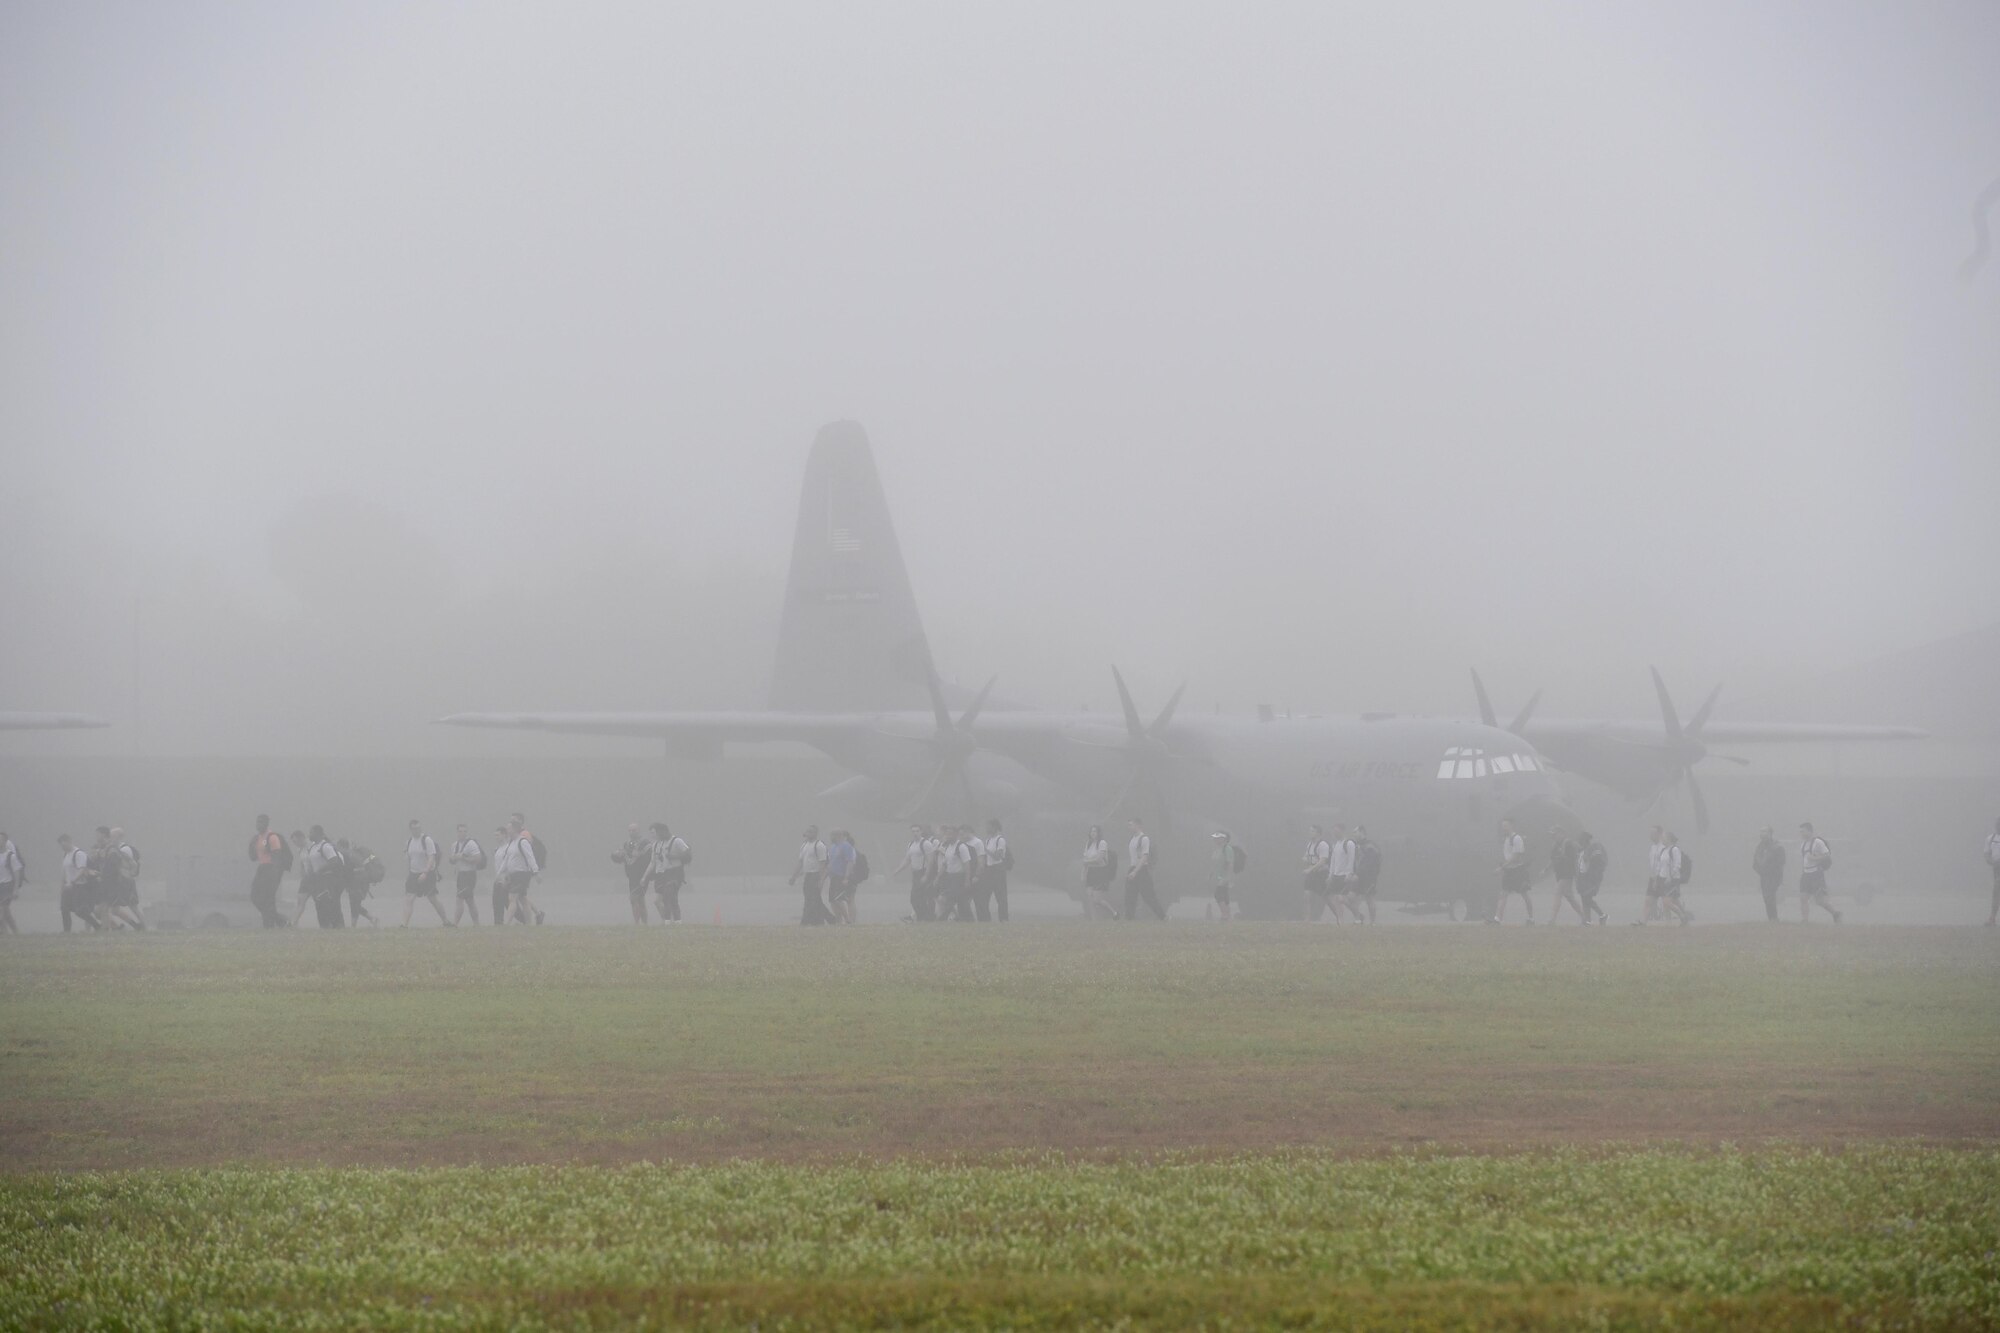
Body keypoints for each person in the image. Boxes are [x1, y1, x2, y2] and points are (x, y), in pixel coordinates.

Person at [400, 820, 449, 927]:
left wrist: (425, 873)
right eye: (414, 828)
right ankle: (404, 925)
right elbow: (408, 857)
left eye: (418, 828)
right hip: (413, 874)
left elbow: (431, 857)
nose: (416, 830)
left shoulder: (427, 840)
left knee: (433, 899)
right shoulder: (409, 842)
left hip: (428, 873)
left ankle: (446, 921)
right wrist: (409, 872)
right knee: (409, 898)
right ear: (410, 829)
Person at [298, 826, 345, 928]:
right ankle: (324, 926)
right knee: (319, 903)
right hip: (317, 880)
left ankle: (338, 926)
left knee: (330, 902)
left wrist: (320, 869)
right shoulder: (313, 847)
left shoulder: (325, 846)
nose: (309, 835)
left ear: (317, 833)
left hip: (328, 878)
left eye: (311, 832)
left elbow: (334, 861)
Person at [496, 816, 541, 924]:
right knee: (523, 899)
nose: (507, 831)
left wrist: (536, 872)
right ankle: (528, 923)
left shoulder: (523, 842)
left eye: (509, 828)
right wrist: (499, 874)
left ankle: (506, 924)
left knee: (512, 898)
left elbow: (530, 857)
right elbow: (506, 860)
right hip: (513, 875)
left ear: (515, 829)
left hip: (522, 874)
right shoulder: (511, 843)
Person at [247, 814, 288, 929]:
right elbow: (253, 857)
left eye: (261, 822)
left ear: (266, 823)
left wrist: (275, 875)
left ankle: (269, 925)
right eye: (257, 822)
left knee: (268, 899)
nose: (258, 825)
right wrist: (251, 845)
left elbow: (277, 856)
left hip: (271, 869)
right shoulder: (257, 838)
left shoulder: (272, 837)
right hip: (261, 868)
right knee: (255, 897)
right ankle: (279, 920)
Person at [103, 827, 145, 930]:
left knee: (133, 907)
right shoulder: (113, 848)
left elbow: (128, 866)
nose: (110, 838)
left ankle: (144, 927)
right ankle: (135, 926)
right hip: (119, 882)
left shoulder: (124, 849)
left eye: (112, 836)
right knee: (114, 909)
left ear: (119, 837)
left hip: (127, 882)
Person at [649, 822, 691, 923]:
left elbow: (688, 852)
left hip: (675, 872)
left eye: (657, 833)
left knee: (670, 896)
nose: (656, 836)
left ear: (663, 831)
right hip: (662, 874)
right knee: (662, 899)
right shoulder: (657, 844)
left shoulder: (677, 841)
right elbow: (653, 862)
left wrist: (675, 856)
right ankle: (668, 921)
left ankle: (675, 921)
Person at [1798, 821, 1840, 923]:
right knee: (1803, 898)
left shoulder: (1818, 842)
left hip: (1816, 874)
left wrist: (1815, 858)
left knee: (1820, 901)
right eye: (1800, 832)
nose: (1801, 834)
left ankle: (1836, 914)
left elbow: (1827, 855)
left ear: (1810, 831)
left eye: (1803, 831)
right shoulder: (1803, 844)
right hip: (1806, 874)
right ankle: (1805, 921)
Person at [1124, 817, 1165, 920]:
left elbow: (1144, 857)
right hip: (1132, 868)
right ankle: (1129, 918)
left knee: (1149, 897)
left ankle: (1162, 916)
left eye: (1131, 824)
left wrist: (1135, 872)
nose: (1129, 827)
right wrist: (1131, 870)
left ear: (1138, 825)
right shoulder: (1132, 839)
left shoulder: (1144, 839)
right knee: (1130, 896)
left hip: (1141, 871)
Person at [1491, 819, 1531, 924]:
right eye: (1503, 826)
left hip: (1517, 871)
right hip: (1508, 871)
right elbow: (1508, 856)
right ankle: (1497, 919)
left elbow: (1515, 856)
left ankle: (1531, 918)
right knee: (1503, 894)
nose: (1504, 828)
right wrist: (1504, 868)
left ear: (1511, 826)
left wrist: (1501, 868)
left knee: (1524, 894)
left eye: (1506, 826)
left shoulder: (1517, 838)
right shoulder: (1506, 839)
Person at [789, 824, 831, 925]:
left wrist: (821, 879)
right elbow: (800, 862)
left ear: (816, 833)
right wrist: (794, 876)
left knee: (813, 899)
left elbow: (823, 863)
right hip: (808, 875)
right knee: (811, 899)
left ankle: (807, 921)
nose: (808, 833)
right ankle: (823, 920)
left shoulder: (819, 845)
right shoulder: (804, 845)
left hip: (816, 875)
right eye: (807, 831)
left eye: (811, 831)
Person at [614, 823, 653, 925]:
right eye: (630, 830)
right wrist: (617, 855)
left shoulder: (646, 843)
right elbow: (621, 858)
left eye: (634, 830)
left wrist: (646, 876)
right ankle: (644, 924)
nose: (631, 832)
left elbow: (650, 860)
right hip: (632, 877)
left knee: (633, 898)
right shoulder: (626, 844)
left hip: (642, 876)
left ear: (639, 830)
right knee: (640, 900)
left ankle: (637, 923)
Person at [339, 838, 383, 926]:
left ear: (342, 846)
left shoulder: (349, 855)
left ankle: (356, 925)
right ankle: (371, 919)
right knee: (355, 904)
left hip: (358, 882)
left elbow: (348, 871)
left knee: (354, 903)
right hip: (360, 882)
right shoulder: (352, 854)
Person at [895, 825, 934, 922]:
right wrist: (898, 870)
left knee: (917, 897)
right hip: (915, 873)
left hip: (923, 872)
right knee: (915, 898)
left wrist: (926, 875)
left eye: (917, 831)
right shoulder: (911, 844)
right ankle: (923, 917)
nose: (915, 833)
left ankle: (925, 917)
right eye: (913, 831)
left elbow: (930, 861)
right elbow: (907, 860)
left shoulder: (926, 844)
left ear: (921, 832)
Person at [1546, 826, 1583, 924]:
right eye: (1552, 835)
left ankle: (1552, 920)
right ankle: (1585, 918)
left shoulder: (1569, 844)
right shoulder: (1555, 846)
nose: (1553, 837)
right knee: (1570, 897)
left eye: (1555, 834)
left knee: (1557, 894)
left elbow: (1573, 859)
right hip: (1560, 874)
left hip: (1567, 874)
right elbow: (1552, 859)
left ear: (1562, 834)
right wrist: (1546, 869)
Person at [449, 824, 484, 926]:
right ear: (457, 832)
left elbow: (478, 859)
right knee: (469, 900)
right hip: (460, 875)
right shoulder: (454, 845)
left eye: (464, 831)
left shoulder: (471, 844)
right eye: (460, 831)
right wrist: (453, 858)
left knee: (460, 899)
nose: (462, 833)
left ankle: (455, 924)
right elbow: (451, 860)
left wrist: (463, 858)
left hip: (469, 874)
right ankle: (476, 924)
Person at [58, 833, 93, 932]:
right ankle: (67, 931)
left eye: (64, 845)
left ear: (69, 842)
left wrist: (73, 882)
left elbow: (82, 870)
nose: (63, 847)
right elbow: (64, 872)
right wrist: (62, 887)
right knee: (64, 909)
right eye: (61, 846)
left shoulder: (79, 854)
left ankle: (96, 925)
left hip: (79, 886)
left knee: (80, 911)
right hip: (68, 887)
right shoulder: (65, 855)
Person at [937, 827, 974, 921]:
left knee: (952, 900)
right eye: (947, 834)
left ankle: (942, 919)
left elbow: (967, 864)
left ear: (956, 835)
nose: (948, 836)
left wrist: (967, 880)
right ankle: (965, 919)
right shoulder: (948, 847)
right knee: (958, 900)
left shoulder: (961, 847)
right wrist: (937, 878)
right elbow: (945, 864)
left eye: (951, 834)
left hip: (959, 878)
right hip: (950, 877)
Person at [1082, 825, 1117, 919]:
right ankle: (1094, 920)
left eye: (1095, 831)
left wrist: (1088, 861)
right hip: (1091, 872)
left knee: (1097, 899)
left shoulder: (1102, 843)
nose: (1093, 833)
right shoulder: (1088, 843)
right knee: (1089, 897)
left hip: (1100, 872)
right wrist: (1084, 873)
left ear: (1099, 833)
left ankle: (1114, 912)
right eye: (1091, 831)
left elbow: (1099, 859)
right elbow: (1085, 858)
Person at [1752, 827, 1786, 923]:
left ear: (1770, 833)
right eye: (1761, 831)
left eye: (1765, 831)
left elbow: (1781, 862)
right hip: (1764, 876)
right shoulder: (1759, 846)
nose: (1762, 833)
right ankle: (1771, 918)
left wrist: (1773, 872)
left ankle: (1774, 918)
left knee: (1770, 896)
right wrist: (1762, 871)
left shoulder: (1777, 846)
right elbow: (1755, 863)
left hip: (1774, 876)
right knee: (1766, 897)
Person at [1658, 831, 1693, 926]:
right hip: (1663, 879)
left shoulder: (1674, 849)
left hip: (1672, 880)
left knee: (1667, 902)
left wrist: (1671, 878)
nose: (1662, 839)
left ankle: (1683, 917)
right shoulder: (1663, 850)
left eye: (1663, 837)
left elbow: (1677, 865)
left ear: (1669, 838)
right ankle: (1668, 923)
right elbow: (1661, 866)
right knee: (1670, 902)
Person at [1575, 831, 1609, 925]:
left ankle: (1602, 915)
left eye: (1581, 840)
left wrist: (1593, 876)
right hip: (1582, 877)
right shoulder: (1581, 851)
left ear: (1585, 840)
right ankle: (1588, 920)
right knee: (1584, 899)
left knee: (1587, 898)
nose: (1579, 842)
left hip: (1589, 878)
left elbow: (1594, 863)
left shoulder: (1591, 849)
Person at [981, 819, 1011, 922]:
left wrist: (986, 850)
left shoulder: (1000, 840)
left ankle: (1003, 919)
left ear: (994, 827)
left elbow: (997, 856)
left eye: (988, 826)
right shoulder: (988, 840)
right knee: (984, 895)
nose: (987, 828)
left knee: (1000, 896)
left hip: (998, 870)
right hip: (989, 869)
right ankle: (985, 919)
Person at [1351, 824, 1382, 924]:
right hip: (1358, 877)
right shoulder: (1357, 846)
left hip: (1369, 878)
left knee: (1369, 899)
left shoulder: (1370, 846)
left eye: (1355, 832)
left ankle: (1372, 923)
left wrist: (1359, 874)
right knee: (1351, 897)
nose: (1354, 834)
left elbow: (1369, 863)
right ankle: (1358, 919)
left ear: (1362, 832)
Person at [1327, 823, 1358, 923]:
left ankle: (1357, 914)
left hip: (1345, 876)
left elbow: (1351, 859)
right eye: (1333, 831)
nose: (1334, 833)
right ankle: (1340, 920)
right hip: (1336, 875)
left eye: (1336, 831)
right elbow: (1333, 860)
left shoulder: (1349, 843)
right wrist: (1331, 874)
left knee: (1341, 898)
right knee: (1336, 899)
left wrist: (1349, 874)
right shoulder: (1336, 844)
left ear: (1342, 831)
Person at [1300, 825, 1332, 921]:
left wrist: (1310, 869)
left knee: (1326, 897)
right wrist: (1303, 860)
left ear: (1318, 833)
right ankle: (1307, 919)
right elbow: (1307, 856)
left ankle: (1337, 913)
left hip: (1321, 874)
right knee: (1307, 895)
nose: (1310, 833)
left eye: (1313, 831)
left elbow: (1322, 861)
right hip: (1312, 874)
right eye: (1310, 831)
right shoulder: (1309, 844)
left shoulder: (1323, 844)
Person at [1641, 825, 1668, 925]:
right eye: (1650, 834)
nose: (1651, 836)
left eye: (1653, 833)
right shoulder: (1652, 848)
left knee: (1667, 902)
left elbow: (1663, 865)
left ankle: (1679, 918)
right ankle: (1643, 923)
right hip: (1653, 878)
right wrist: (1652, 877)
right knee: (1648, 901)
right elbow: (1652, 864)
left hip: (1662, 878)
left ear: (1660, 834)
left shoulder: (1664, 847)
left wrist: (1658, 878)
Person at [1209, 830, 1237, 921]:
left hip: (1224, 877)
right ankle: (1227, 916)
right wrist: (1211, 874)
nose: (1215, 840)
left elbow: (1230, 864)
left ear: (1224, 839)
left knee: (1218, 895)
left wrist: (1227, 877)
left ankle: (1225, 915)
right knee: (1224, 896)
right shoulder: (1217, 850)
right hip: (1217, 877)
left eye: (1218, 838)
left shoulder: (1227, 849)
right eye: (1215, 838)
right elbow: (1214, 864)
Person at [489, 825, 512, 925]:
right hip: (497, 879)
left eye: (498, 835)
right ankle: (498, 923)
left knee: (508, 903)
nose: (496, 837)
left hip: (505, 880)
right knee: (496, 903)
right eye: (495, 835)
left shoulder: (508, 848)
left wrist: (506, 878)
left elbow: (509, 865)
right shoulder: (497, 849)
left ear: (504, 835)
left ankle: (524, 919)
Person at [0, 830, 21, 934]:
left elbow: (17, 873)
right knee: (6, 913)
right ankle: (15, 932)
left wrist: (15, 890)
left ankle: (4, 934)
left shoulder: (10, 856)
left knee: (2, 911)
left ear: (5, 841)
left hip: (7, 885)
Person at [1983, 818, 2000, 927]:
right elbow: (1987, 854)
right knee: (1996, 892)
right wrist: (1992, 862)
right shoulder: (1991, 838)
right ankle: (1992, 918)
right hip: (1997, 868)